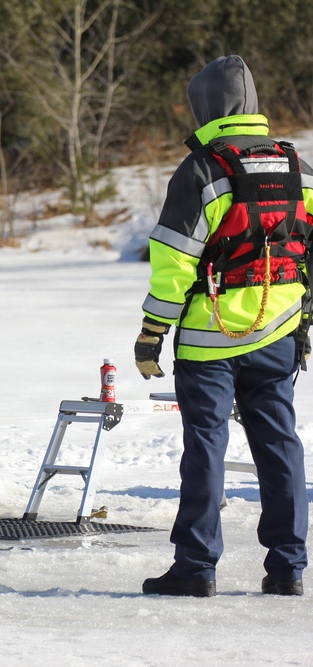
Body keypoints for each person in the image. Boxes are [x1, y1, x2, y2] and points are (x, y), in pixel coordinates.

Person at [135, 55, 311, 597]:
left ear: (206, 106)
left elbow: (173, 264)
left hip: (211, 340)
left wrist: (151, 333)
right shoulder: (296, 167)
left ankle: (195, 567)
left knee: (206, 447)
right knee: (280, 443)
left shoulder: (203, 170)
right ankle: (288, 567)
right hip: (280, 331)